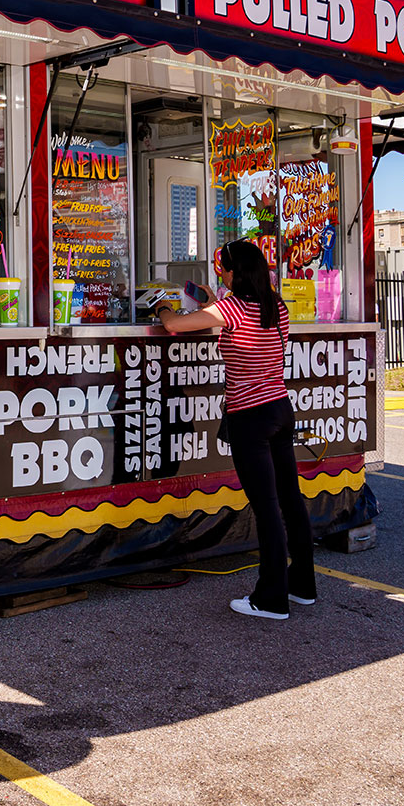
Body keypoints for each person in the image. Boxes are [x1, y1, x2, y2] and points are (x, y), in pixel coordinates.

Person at [154, 240, 313, 620]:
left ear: (233, 272)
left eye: (221, 268)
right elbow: (242, 314)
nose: (218, 273)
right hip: (279, 408)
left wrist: (161, 306)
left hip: (250, 418)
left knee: (267, 507)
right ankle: (302, 585)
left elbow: (175, 325)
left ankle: (271, 598)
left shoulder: (229, 309)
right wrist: (216, 299)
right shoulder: (276, 306)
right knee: (290, 499)